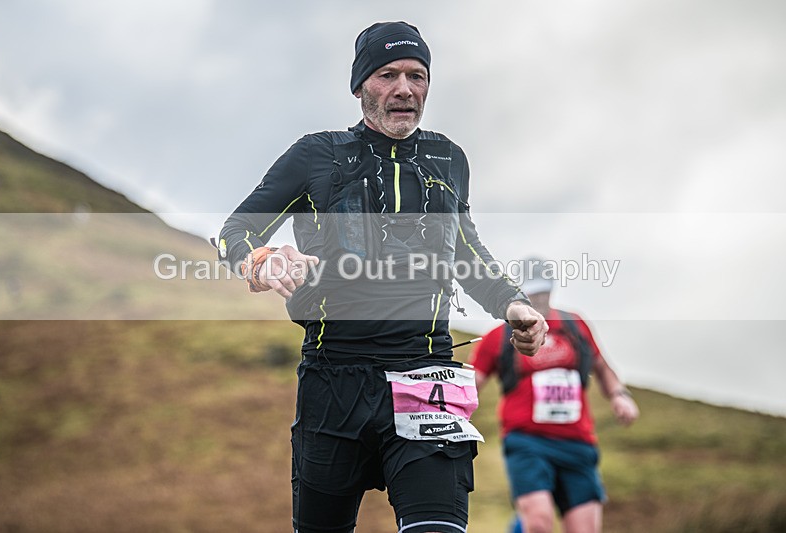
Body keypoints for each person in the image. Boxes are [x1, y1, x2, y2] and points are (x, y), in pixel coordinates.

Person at [216, 21, 548, 533]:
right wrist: (262, 258)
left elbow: (465, 251)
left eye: (417, 75)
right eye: (387, 74)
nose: (404, 89)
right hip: (334, 379)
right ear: (360, 86)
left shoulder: (448, 158)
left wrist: (514, 303)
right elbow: (234, 231)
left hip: (427, 373)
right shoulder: (316, 154)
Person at [469, 259, 639, 533]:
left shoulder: (575, 326)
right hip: (527, 443)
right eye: (532, 294)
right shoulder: (499, 338)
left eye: (544, 292)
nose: (539, 299)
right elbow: (474, 381)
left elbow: (602, 368)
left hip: (578, 443)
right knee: (538, 524)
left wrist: (619, 395)